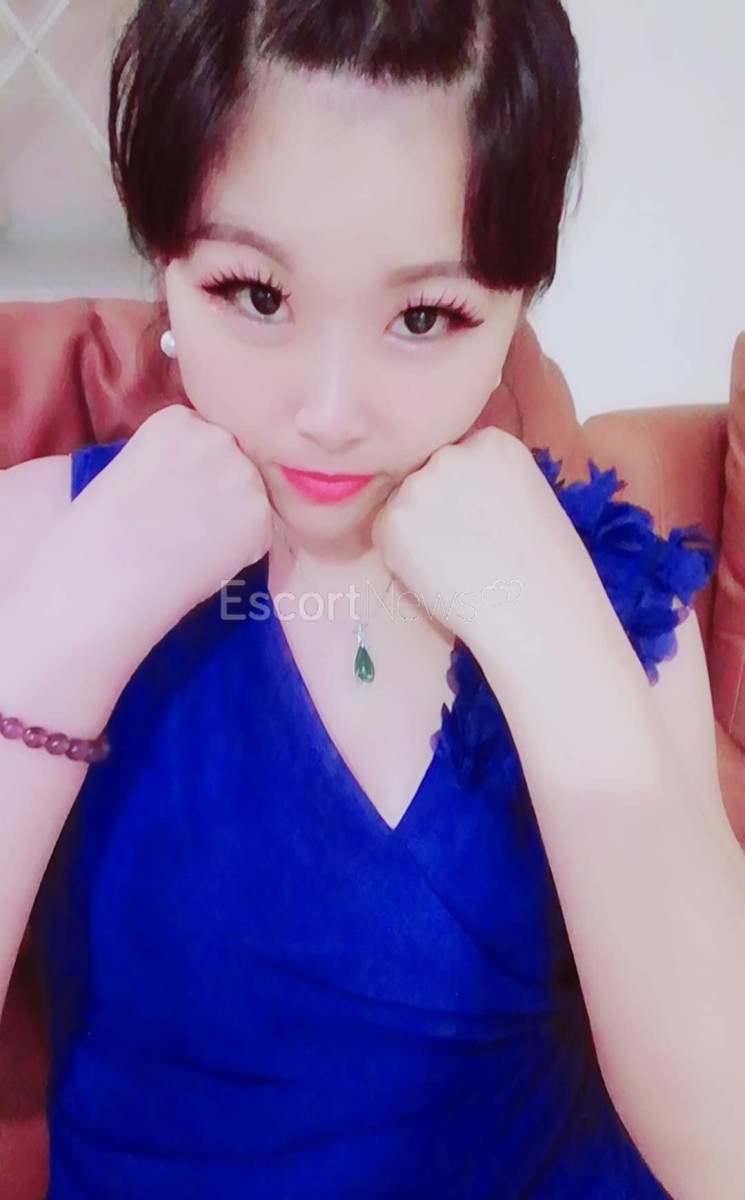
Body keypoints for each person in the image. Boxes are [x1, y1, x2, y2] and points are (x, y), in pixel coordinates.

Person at [1, 2, 743, 1197]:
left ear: (515, 301)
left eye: (423, 316)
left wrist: (552, 634)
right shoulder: (35, 537)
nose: (331, 410)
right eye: (255, 294)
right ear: (164, 257)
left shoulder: (612, 584)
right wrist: (69, 628)